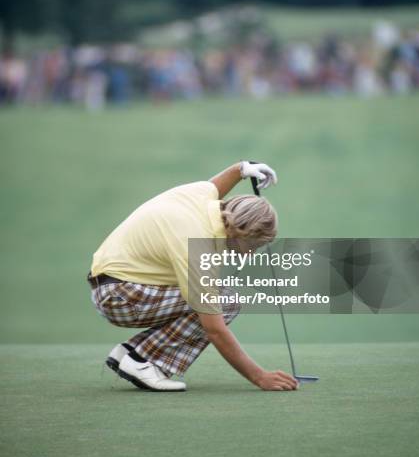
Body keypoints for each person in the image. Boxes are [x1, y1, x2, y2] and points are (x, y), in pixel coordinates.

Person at [88, 161, 299, 392]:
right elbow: (214, 329)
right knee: (225, 301)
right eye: (254, 245)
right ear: (241, 233)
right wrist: (260, 377)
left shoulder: (202, 196)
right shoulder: (199, 248)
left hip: (116, 284)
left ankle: (134, 353)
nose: (252, 254)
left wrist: (242, 169)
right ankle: (144, 362)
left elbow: (215, 185)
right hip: (121, 296)